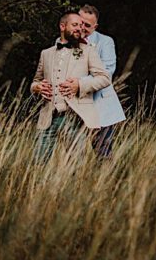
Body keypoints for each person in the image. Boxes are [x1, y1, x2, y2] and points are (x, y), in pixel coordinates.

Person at [31, 12, 110, 163]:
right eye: (75, 25)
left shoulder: (88, 51)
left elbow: (105, 78)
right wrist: (37, 88)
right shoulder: (46, 54)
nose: (79, 29)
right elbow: (36, 81)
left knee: (76, 164)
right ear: (62, 26)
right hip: (48, 116)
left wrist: (80, 85)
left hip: (74, 116)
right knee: (39, 163)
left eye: (81, 26)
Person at [79, 4, 126, 158]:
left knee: (103, 153)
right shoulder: (64, 40)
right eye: (80, 22)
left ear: (95, 26)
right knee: (73, 154)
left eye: (87, 25)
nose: (82, 27)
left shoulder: (105, 42)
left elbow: (106, 73)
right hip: (74, 106)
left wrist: (78, 83)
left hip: (100, 105)